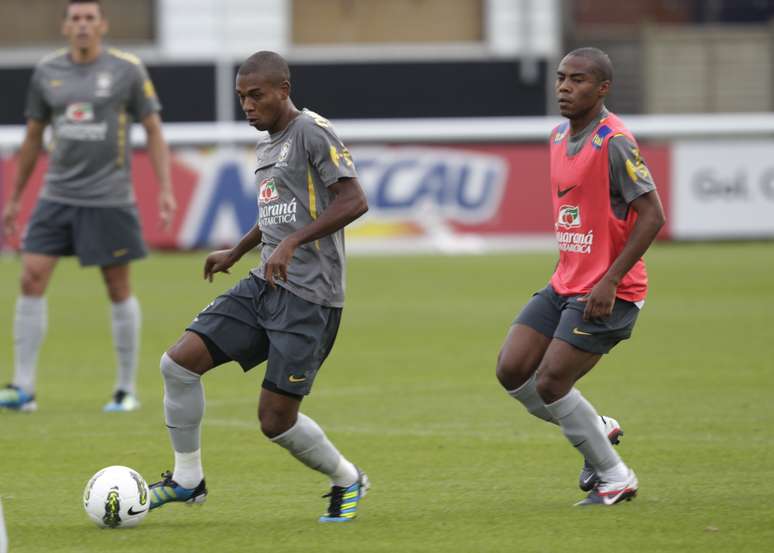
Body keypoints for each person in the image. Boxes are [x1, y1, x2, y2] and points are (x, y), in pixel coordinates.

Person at [145, 51, 370, 522]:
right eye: (242, 97)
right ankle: (188, 480)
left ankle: (347, 478)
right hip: (264, 283)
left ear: (283, 91)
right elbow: (278, 212)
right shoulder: (268, 141)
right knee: (178, 364)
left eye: (256, 95)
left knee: (275, 422)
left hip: (310, 298)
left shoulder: (311, 130)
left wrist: (292, 243)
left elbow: (354, 200)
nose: (248, 105)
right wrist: (237, 250)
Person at [495, 47, 665, 506]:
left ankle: (615, 477)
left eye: (579, 80)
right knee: (512, 370)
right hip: (565, 282)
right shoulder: (556, 136)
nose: (565, 88)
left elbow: (652, 215)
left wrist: (610, 280)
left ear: (603, 88)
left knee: (551, 383)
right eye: (561, 78)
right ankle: (598, 428)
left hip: (613, 290)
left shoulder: (615, 142)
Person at [0, 0, 175, 413]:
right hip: (56, 195)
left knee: (117, 287)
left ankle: (125, 389)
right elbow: (32, 139)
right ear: (65, 26)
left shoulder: (127, 70)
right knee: (31, 278)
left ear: (102, 25)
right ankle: (23, 387)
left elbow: (152, 128)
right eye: (75, 19)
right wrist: (14, 198)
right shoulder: (47, 73)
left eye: (89, 18)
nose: (82, 25)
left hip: (109, 198)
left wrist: (165, 187)